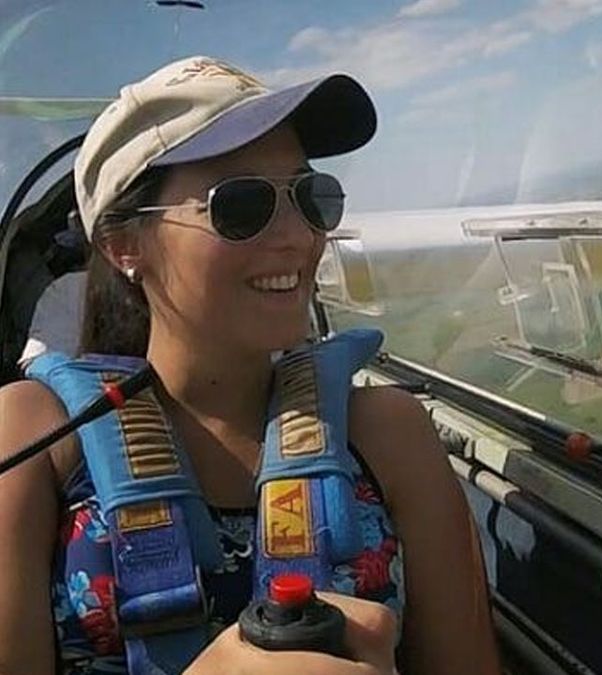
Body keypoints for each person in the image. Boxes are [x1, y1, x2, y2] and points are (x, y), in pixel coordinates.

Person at [0, 56, 501, 674]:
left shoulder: (389, 434)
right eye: (240, 205)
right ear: (124, 245)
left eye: (311, 196)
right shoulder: (36, 440)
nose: (297, 236)